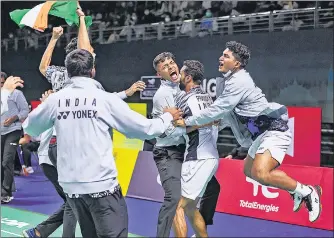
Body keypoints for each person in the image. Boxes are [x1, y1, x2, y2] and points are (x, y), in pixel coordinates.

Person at [22, 48, 182, 237]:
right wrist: (166, 117)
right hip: (102, 188)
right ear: (92, 71)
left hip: (72, 191)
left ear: (69, 72)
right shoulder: (103, 98)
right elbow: (145, 130)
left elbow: (30, 128)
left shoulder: (56, 99)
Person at [175, 41, 322, 223]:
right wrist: (203, 126)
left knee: (261, 172)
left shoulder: (240, 81)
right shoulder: (223, 83)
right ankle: (295, 191)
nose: (221, 58)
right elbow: (225, 117)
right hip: (259, 135)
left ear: (237, 64)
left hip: (274, 128)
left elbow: (218, 110)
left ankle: (308, 191)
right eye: (222, 54)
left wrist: (188, 121)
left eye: (226, 56)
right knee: (248, 171)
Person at [23, 20, 146, 238]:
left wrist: (53, 38)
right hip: (74, 148)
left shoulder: (59, 75)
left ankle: (42, 231)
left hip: (57, 146)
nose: (94, 55)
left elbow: (43, 68)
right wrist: (80, 19)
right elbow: (105, 103)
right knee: (78, 197)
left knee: (74, 198)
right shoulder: (89, 86)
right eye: (91, 53)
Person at [172, 60, 219, 237]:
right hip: (208, 157)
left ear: (189, 77)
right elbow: (212, 121)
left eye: (182, 74)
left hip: (198, 158)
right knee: (191, 207)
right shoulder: (208, 98)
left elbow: (177, 125)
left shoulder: (185, 99)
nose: (179, 77)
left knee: (175, 206)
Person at [151, 52, 187, 238]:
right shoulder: (163, 95)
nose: (171, 67)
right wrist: (193, 128)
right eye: (165, 67)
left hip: (183, 151)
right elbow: (170, 129)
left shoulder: (180, 92)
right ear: (159, 74)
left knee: (205, 191)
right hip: (167, 153)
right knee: (173, 197)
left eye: (172, 63)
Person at [1, 72, 29, 204]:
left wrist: (13, 118)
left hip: (13, 130)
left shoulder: (17, 94)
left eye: (2, 83)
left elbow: (25, 111)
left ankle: (6, 192)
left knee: (7, 161)